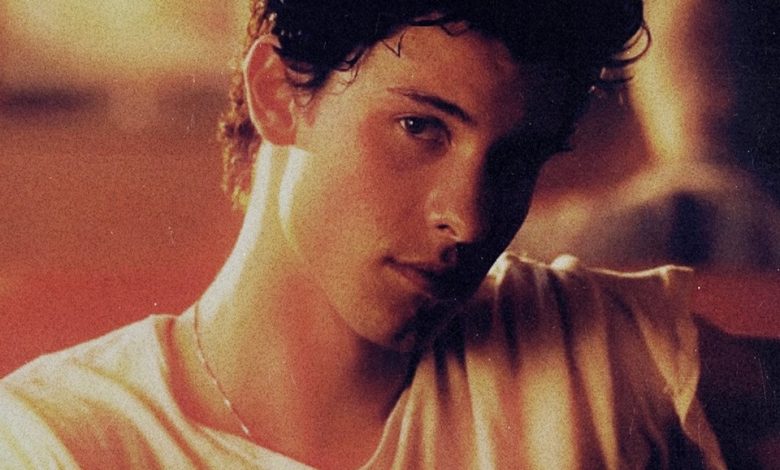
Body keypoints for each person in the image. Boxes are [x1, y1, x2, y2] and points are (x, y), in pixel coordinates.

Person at [0, 1, 775, 468]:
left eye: (516, 158)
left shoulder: (603, 360)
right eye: (420, 127)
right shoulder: (60, 443)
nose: (470, 219)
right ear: (278, 92)